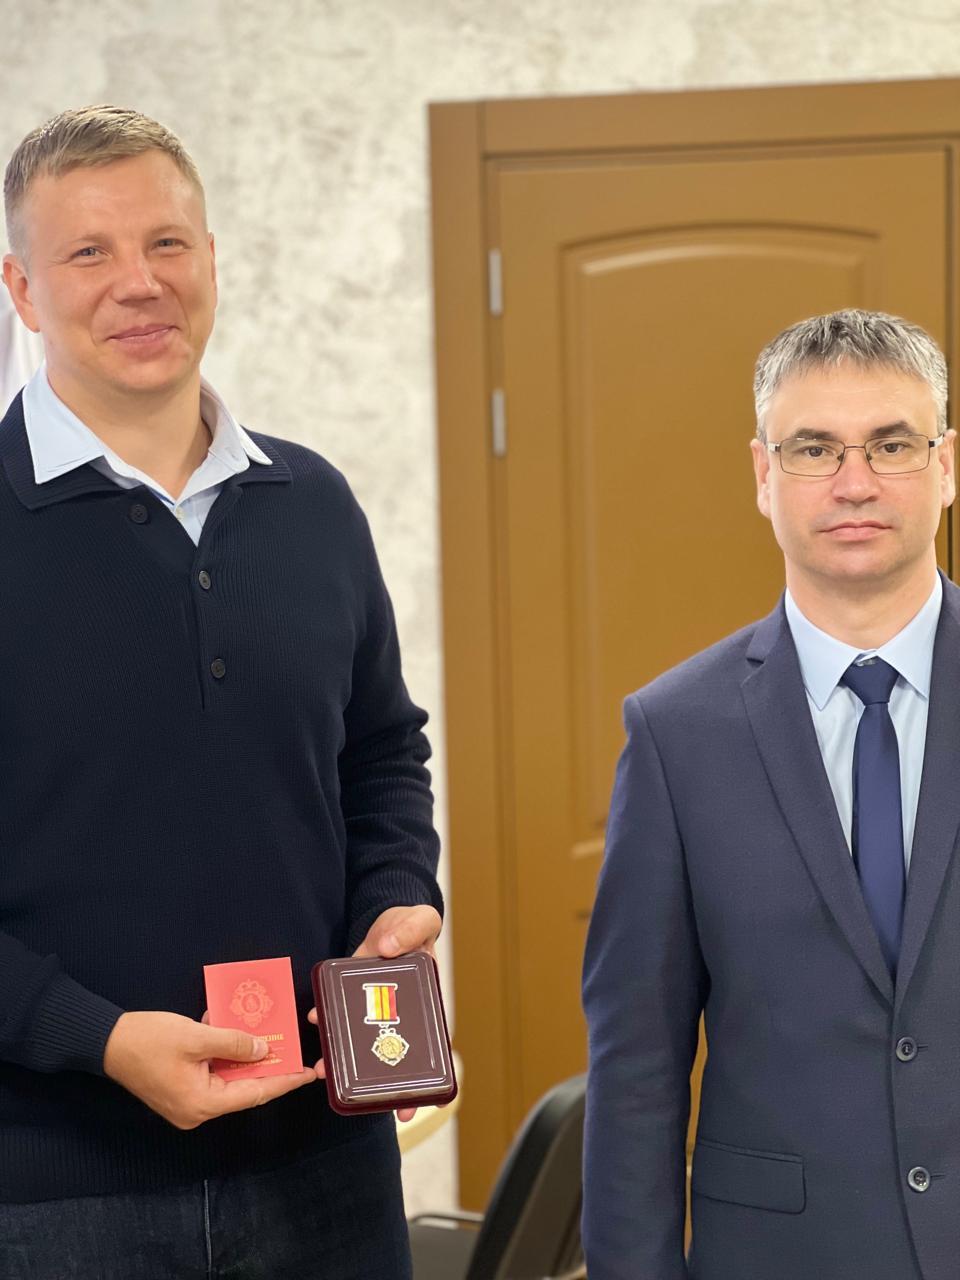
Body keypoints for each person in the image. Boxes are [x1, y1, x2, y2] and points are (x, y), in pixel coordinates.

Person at [0, 105, 443, 1279]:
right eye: (88, 251)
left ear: (210, 258)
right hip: (51, 1198)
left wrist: (399, 893)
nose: (139, 282)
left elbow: (382, 752)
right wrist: (95, 1039)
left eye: (167, 243)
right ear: (23, 288)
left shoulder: (315, 503)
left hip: (328, 1170)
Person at [582, 309, 960, 1280]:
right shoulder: (674, 733)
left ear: (947, 465)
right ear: (763, 473)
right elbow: (637, 1069)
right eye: (814, 448)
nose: (854, 482)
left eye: (892, 444)